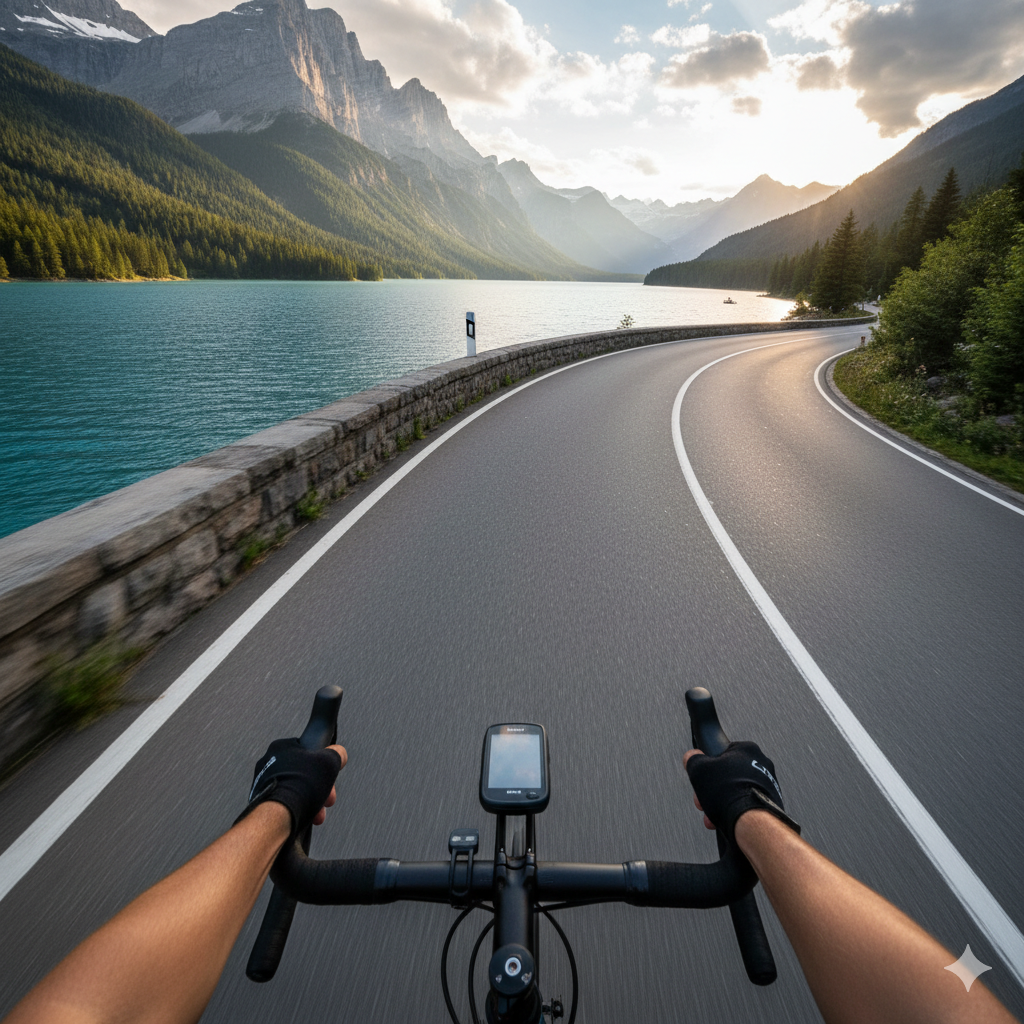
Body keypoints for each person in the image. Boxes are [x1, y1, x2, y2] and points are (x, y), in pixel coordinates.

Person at [3, 736, 1019, 1024]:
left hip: (284, 813)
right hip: (747, 821)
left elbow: (93, 1006)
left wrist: (281, 805)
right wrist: (750, 817)